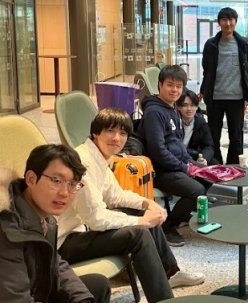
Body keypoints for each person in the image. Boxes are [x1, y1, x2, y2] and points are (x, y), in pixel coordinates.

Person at [57, 108, 205, 303]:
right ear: (95, 133)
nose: (117, 138)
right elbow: (97, 219)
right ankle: (163, 299)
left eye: (123, 133)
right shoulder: (82, 162)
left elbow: (115, 195)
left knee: (141, 214)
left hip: (81, 231)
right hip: (64, 242)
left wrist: (147, 203)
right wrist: (141, 220)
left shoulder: (99, 157)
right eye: (110, 131)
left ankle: (171, 272)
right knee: (139, 232)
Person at [0, 144, 111, 302]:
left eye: (73, 184)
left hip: (35, 291)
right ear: (31, 179)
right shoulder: (6, 228)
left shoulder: (44, 217)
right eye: (56, 180)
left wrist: (82, 298)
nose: (64, 193)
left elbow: (55, 264)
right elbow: (15, 299)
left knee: (96, 286)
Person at [136, 65, 210, 246]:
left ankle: (182, 214)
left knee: (207, 176)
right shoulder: (154, 112)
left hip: (174, 164)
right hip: (160, 170)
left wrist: (191, 164)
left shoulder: (171, 109)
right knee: (197, 191)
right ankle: (167, 227)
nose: (174, 90)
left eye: (179, 86)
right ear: (160, 85)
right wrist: (185, 167)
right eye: (170, 85)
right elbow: (158, 150)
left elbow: (177, 146)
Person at [199, 7, 248, 165]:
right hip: (215, 98)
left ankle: (234, 166)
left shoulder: (243, 44)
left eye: (231, 19)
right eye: (224, 19)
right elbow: (207, 70)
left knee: (236, 137)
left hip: (236, 98)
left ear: (236, 22)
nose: (228, 23)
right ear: (219, 23)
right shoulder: (211, 44)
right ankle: (215, 164)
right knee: (213, 136)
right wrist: (203, 90)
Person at [176, 88, 218, 165]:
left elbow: (209, 145)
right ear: (178, 107)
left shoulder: (200, 122)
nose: (189, 109)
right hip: (177, 156)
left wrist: (204, 159)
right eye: (185, 105)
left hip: (193, 156)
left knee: (214, 163)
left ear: (197, 107)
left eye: (192, 105)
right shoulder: (174, 121)